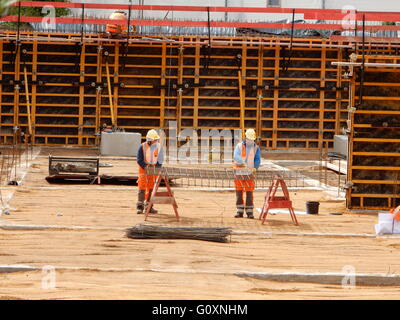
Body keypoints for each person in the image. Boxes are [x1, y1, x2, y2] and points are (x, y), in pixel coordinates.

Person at [233, 129, 261, 219]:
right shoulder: (239, 146)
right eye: (249, 139)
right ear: (246, 138)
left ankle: (249, 211)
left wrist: (255, 167)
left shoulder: (256, 147)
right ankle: (239, 210)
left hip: (249, 172)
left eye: (252, 139)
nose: (251, 141)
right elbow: (236, 156)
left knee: (249, 191)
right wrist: (243, 162)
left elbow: (257, 159)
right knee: (239, 191)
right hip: (239, 172)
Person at [136, 129, 164, 214]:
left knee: (152, 188)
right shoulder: (142, 147)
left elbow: (160, 160)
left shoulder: (159, 147)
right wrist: (146, 167)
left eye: (156, 140)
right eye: (155, 140)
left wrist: (157, 169)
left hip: (153, 172)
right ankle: (140, 207)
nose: (156, 141)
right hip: (143, 171)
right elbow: (139, 160)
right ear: (150, 140)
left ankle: (149, 207)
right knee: (142, 188)